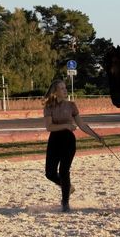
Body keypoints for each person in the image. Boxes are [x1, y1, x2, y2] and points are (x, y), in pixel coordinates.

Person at [42, 79, 105, 212]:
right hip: (54, 140)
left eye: (65, 88)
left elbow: (81, 124)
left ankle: (65, 203)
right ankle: (68, 187)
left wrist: (96, 136)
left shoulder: (71, 105)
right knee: (50, 173)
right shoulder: (48, 106)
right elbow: (49, 127)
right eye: (62, 88)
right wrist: (66, 125)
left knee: (64, 171)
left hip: (68, 140)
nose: (65, 90)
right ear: (55, 92)